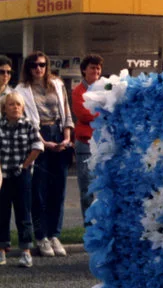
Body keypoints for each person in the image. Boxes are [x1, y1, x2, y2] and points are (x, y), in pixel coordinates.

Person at [15, 51, 74, 258]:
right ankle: (41, 236)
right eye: (33, 65)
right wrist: (42, 141)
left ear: (47, 66)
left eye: (41, 65)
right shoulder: (22, 90)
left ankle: (54, 234)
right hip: (38, 137)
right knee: (38, 191)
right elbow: (26, 120)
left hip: (59, 133)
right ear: (28, 68)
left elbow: (66, 111)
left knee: (59, 189)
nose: (38, 69)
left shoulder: (57, 84)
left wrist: (66, 137)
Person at [0, 92, 43, 268]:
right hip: (2, 174)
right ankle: (2, 248)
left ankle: (25, 250)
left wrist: (25, 166)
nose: (15, 107)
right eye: (11, 104)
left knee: (23, 212)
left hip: (21, 174)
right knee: (2, 212)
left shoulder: (29, 124)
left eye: (18, 104)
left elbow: (38, 146)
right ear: (4, 108)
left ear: (23, 107)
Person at [72, 54, 103, 223]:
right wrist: (103, 114)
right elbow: (83, 115)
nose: (96, 71)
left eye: (98, 68)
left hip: (103, 144)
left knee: (104, 186)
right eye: (92, 67)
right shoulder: (78, 91)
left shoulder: (105, 88)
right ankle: (89, 226)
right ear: (84, 70)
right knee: (87, 189)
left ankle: (103, 224)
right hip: (85, 144)